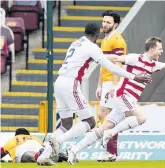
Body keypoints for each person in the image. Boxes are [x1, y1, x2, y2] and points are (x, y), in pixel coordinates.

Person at [37, 22, 151, 166]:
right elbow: (110, 67)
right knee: (90, 122)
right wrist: (134, 76)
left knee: (65, 124)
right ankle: (58, 141)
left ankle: (45, 156)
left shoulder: (75, 43)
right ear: (97, 35)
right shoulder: (93, 47)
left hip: (59, 82)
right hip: (71, 83)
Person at [66, 37, 165, 165]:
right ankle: (111, 133)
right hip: (123, 95)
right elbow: (116, 58)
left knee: (103, 128)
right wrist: (95, 56)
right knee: (142, 117)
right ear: (153, 48)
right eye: (160, 49)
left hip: (128, 100)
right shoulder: (135, 58)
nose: (162, 51)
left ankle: (74, 150)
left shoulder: (154, 65)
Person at [95, 10, 127, 161]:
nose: (104, 24)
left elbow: (119, 62)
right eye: (103, 21)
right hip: (106, 82)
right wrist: (99, 85)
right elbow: (103, 65)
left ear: (115, 25)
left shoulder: (117, 39)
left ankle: (111, 152)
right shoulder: (104, 40)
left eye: (108, 22)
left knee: (104, 115)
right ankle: (111, 152)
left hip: (114, 82)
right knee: (107, 116)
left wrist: (115, 85)